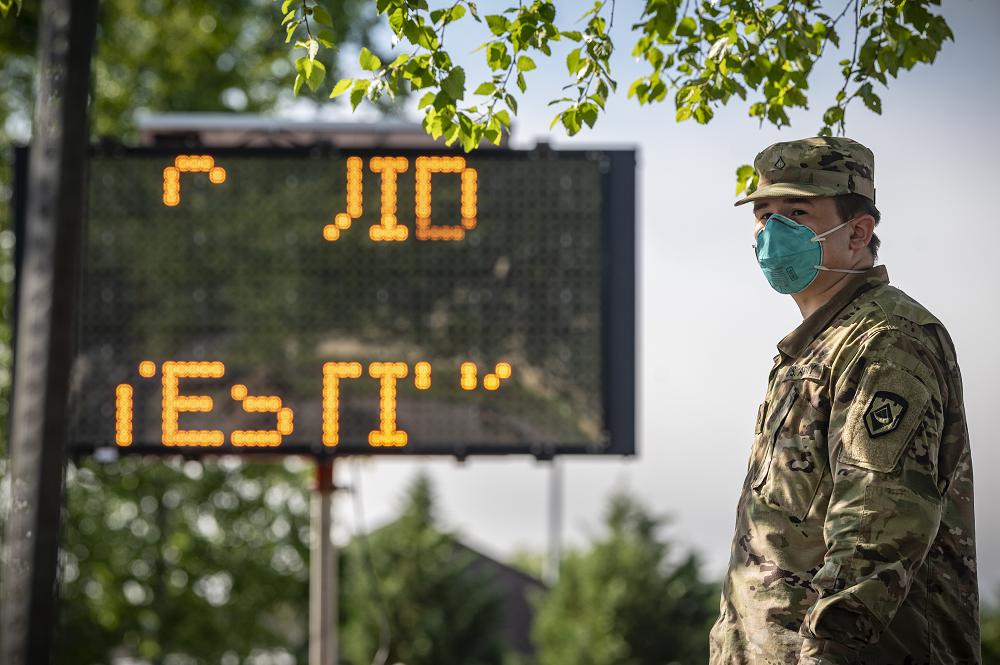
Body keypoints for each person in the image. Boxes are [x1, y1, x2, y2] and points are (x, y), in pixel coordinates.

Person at [708, 137, 979, 664]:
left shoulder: (885, 340)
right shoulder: (818, 345)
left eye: (797, 213)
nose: (771, 232)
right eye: (763, 214)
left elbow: (876, 526)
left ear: (858, 231)